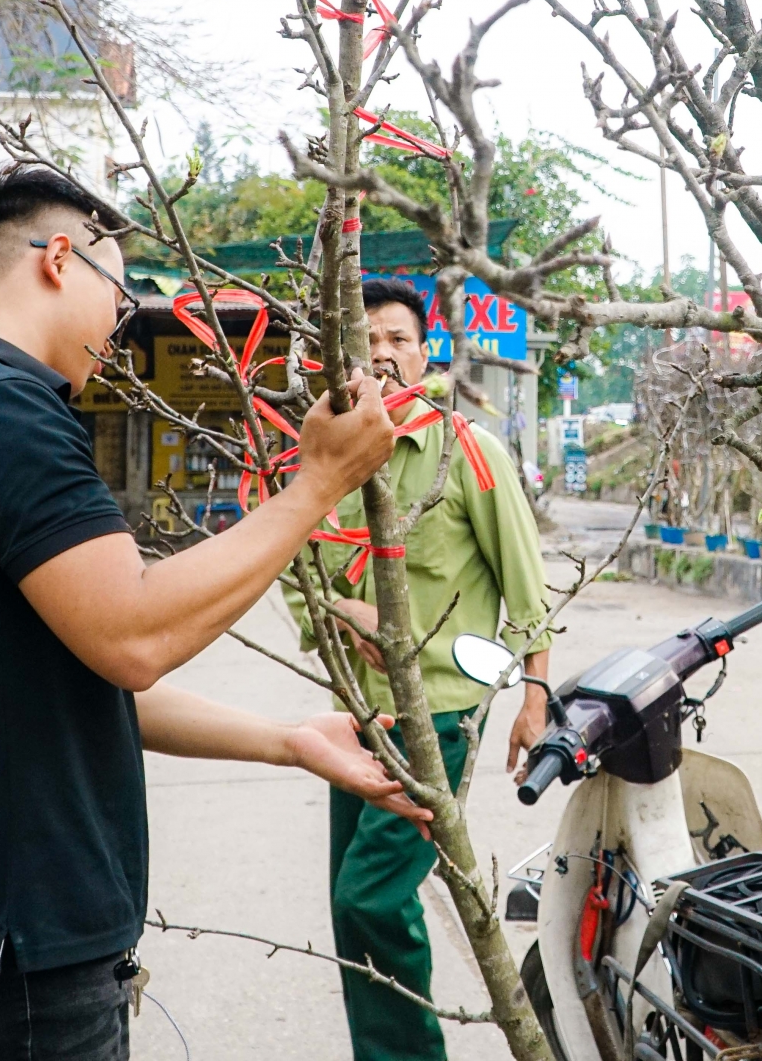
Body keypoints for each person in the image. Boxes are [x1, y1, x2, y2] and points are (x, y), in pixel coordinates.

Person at [0, 165, 414, 1061]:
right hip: (13, 948)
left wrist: (285, 738)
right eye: (122, 287)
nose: (123, 318)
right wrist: (317, 485)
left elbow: (84, 676)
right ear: (58, 259)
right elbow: (135, 634)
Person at [295, 277, 550, 1061]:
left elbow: (525, 585)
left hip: (436, 713)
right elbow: (294, 570)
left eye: (397, 337)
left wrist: (534, 693)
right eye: (363, 338)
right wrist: (345, 613)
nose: (380, 351)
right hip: (353, 717)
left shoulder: (469, 449)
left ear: (425, 350)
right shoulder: (323, 457)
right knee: (353, 907)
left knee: (371, 893)